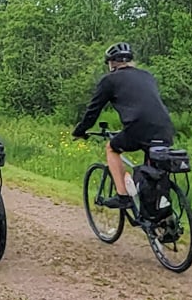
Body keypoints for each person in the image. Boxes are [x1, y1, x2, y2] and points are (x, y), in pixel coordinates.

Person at [72, 42, 174, 221]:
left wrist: (80, 131)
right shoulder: (147, 76)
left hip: (138, 128)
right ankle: (161, 219)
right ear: (131, 61)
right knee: (154, 173)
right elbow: (145, 104)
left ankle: (122, 196)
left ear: (111, 63)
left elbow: (93, 111)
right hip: (165, 128)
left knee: (112, 148)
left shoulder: (109, 80)